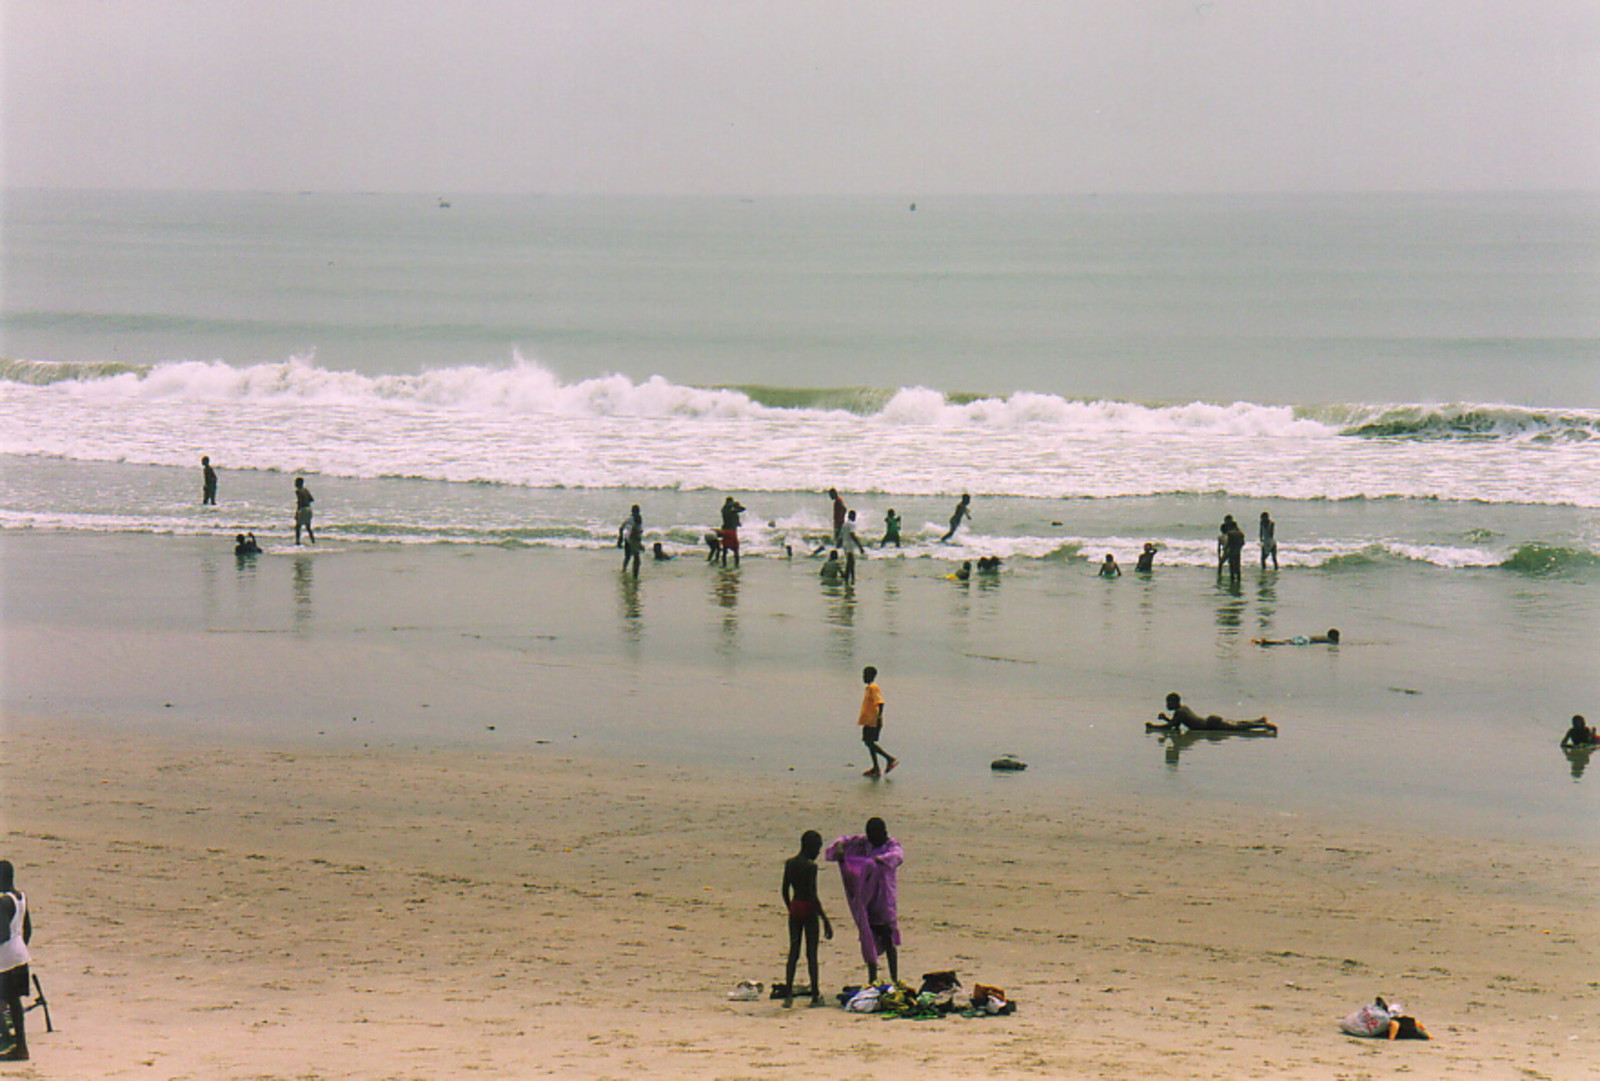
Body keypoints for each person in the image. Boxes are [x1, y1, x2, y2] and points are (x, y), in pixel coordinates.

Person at [825, 818, 903, 985]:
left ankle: (894, 979)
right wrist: (839, 847)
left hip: (884, 899)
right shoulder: (864, 843)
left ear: (883, 833)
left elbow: (897, 857)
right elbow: (844, 841)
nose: (871, 838)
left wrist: (874, 862)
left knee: (888, 937)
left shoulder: (892, 846)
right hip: (867, 898)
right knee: (868, 936)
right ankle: (872, 978)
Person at [780, 830, 833, 1008]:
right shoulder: (811, 867)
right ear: (810, 847)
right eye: (817, 848)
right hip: (808, 908)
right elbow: (813, 893)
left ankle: (788, 995)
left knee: (793, 952)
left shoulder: (790, 863)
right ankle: (815, 995)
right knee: (811, 954)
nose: (818, 852)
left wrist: (790, 908)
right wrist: (824, 918)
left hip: (795, 907)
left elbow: (784, 890)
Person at [0, 861, 32, 1062]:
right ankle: (19, 1044)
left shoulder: (3, 902)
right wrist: (21, 948)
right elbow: (28, 929)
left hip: (5, 959)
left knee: (6, 1000)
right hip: (20, 955)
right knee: (13, 1001)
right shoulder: (20, 897)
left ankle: (9, 1040)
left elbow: (1, 935)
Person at [1148, 692, 1276, 734]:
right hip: (1210, 721)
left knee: (1239, 729)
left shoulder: (1180, 712)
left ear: (1175, 702)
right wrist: (1165, 718)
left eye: (1169, 703)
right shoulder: (1183, 709)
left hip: (1210, 724)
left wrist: (1154, 727)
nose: (1167, 705)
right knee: (1237, 725)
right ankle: (1259, 721)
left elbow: (1171, 726)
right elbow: (1175, 726)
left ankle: (1264, 726)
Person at [857, 666, 898, 777]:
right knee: (869, 742)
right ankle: (876, 768)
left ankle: (889, 759)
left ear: (871, 676)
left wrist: (878, 717)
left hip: (873, 721)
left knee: (869, 742)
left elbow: (880, 703)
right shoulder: (869, 688)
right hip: (868, 721)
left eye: (865, 675)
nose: (863, 677)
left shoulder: (873, 688)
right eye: (863, 675)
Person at [719, 496, 746, 567]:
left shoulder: (724, 510)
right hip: (732, 531)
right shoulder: (731, 511)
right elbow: (743, 509)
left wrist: (733, 505)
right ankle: (736, 565)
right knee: (736, 549)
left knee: (725, 549)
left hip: (725, 530)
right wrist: (736, 505)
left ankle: (724, 564)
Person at [618, 504, 643, 576]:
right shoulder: (634, 519)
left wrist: (621, 538)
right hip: (632, 539)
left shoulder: (634, 519)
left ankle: (624, 569)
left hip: (628, 539)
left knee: (628, 557)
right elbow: (636, 531)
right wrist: (620, 538)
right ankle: (634, 574)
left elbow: (621, 528)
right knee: (635, 557)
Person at [841, 510, 866, 582]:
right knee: (850, 562)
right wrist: (860, 546)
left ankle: (852, 577)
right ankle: (847, 578)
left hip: (845, 544)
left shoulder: (844, 524)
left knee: (851, 562)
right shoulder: (852, 524)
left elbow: (841, 535)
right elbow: (852, 535)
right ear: (852, 516)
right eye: (854, 516)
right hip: (850, 545)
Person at [1254, 628, 1340, 647]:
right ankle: (1267, 643)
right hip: (1305, 641)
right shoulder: (1330, 641)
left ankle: (1266, 642)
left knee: (1285, 642)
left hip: (1304, 638)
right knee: (1284, 643)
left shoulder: (1324, 637)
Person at [293, 477, 315, 545]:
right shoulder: (306, 490)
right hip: (309, 508)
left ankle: (297, 541)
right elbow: (311, 499)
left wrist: (297, 513)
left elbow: (300, 502)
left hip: (303, 509)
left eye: (296, 482)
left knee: (298, 527)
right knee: (308, 527)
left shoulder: (298, 491)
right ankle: (313, 540)